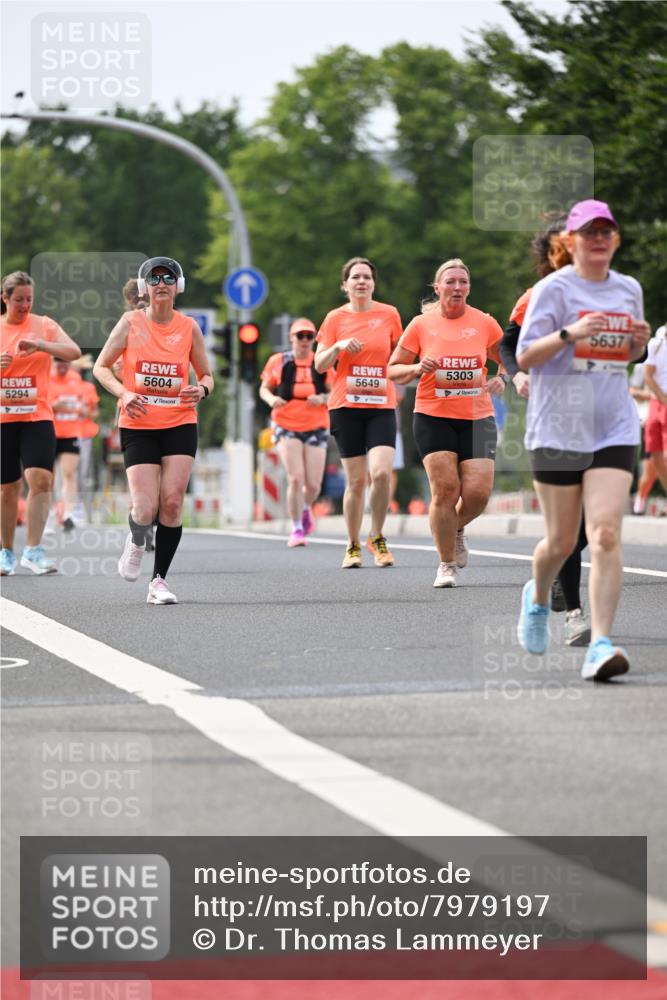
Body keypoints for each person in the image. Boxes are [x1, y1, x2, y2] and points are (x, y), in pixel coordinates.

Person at [515, 199, 651, 681]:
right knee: (560, 541)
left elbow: (628, 355)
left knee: (606, 533)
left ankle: (601, 643)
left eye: (606, 231)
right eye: (588, 231)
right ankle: (536, 599)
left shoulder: (628, 288)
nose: (598, 239)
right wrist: (571, 332)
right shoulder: (553, 289)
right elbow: (526, 356)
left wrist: (638, 340)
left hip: (613, 423)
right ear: (570, 241)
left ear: (615, 240)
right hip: (558, 425)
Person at [93, 256, 213, 604]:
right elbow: (101, 368)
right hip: (138, 423)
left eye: (169, 278)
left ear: (178, 286)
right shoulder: (130, 323)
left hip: (179, 421)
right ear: (145, 288)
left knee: (172, 504)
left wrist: (202, 389)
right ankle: (136, 539)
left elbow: (207, 375)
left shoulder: (189, 327)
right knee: (144, 509)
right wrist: (124, 392)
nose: (162, 283)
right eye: (155, 278)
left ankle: (159, 580)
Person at [388, 258, 507, 588]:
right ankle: (446, 564)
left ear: (469, 288)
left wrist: (504, 377)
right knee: (445, 490)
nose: (457, 287)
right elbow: (392, 368)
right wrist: (415, 369)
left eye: (463, 282)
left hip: (477, 417)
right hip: (432, 416)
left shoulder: (484, 323)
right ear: (437, 287)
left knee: (479, 494)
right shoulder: (420, 325)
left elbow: (508, 357)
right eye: (450, 282)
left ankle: (454, 528)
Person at [500, 219, 591, 647]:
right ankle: (574, 611)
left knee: (596, 527)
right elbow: (508, 343)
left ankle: (554, 575)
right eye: (565, 248)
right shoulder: (536, 296)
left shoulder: (607, 290)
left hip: (602, 418)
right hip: (554, 418)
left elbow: (639, 346)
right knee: (569, 527)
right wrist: (516, 374)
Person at [315, 257, 402, 568]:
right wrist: (337, 347)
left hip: (381, 405)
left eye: (367, 277)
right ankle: (352, 544)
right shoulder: (335, 318)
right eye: (355, 277)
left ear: (373, 283)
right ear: (345, 285)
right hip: (346, 406)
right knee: (356, 482)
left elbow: (399, 356)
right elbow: (319, 364)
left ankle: (376, 536)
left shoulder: (389, 314)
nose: (361, 281)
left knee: (380, 474)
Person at [1, 270, 81, 575]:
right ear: (5, 298)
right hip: (4, 419)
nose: (24, 305)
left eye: (29, 299)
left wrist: (42, 346)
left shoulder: (43, 324)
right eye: (18, 299)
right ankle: (5, 551)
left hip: (37, 417)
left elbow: (73, 351)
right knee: (8, 487)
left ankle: (33, 550)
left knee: (42, 479)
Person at [259, 318, 332, 547]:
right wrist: (272, 399)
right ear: (291, 338)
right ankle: (297, 528)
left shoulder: (321, 363)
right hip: (286, 423)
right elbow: (264, 388)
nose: (304, 341)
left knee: (313, 485)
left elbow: (335, 392)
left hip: (316, 423)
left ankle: (306, 507)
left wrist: (322, 398)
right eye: (300, 336)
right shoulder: (278, 361)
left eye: (309, 336)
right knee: (295, 477)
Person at [49, 358, 86, 531]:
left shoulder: (75, 378)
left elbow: (84, 405)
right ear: (53, 362)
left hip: (70, 431)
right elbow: (39, 403)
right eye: (59, 363)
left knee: (69, 473)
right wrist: (54, 406)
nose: (63, 366)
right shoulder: (47, 377)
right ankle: (49, 513)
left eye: (66, 362)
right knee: (47, 477)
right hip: (49, 432)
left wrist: (81, 408)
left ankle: (68, 513)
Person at [73, 355, 100, 522]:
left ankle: (79, 506)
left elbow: (95, 412)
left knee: (81, 473)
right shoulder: (57, 384)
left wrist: (86, 412)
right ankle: (62, 508)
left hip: (84, 434)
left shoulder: (88, 388)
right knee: (64, 473)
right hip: (63, 434)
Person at [643, 323, 667, 507]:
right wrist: (663, 399)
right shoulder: (656, 342)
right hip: (656, 403)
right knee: (656, 455)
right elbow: (648, 376)